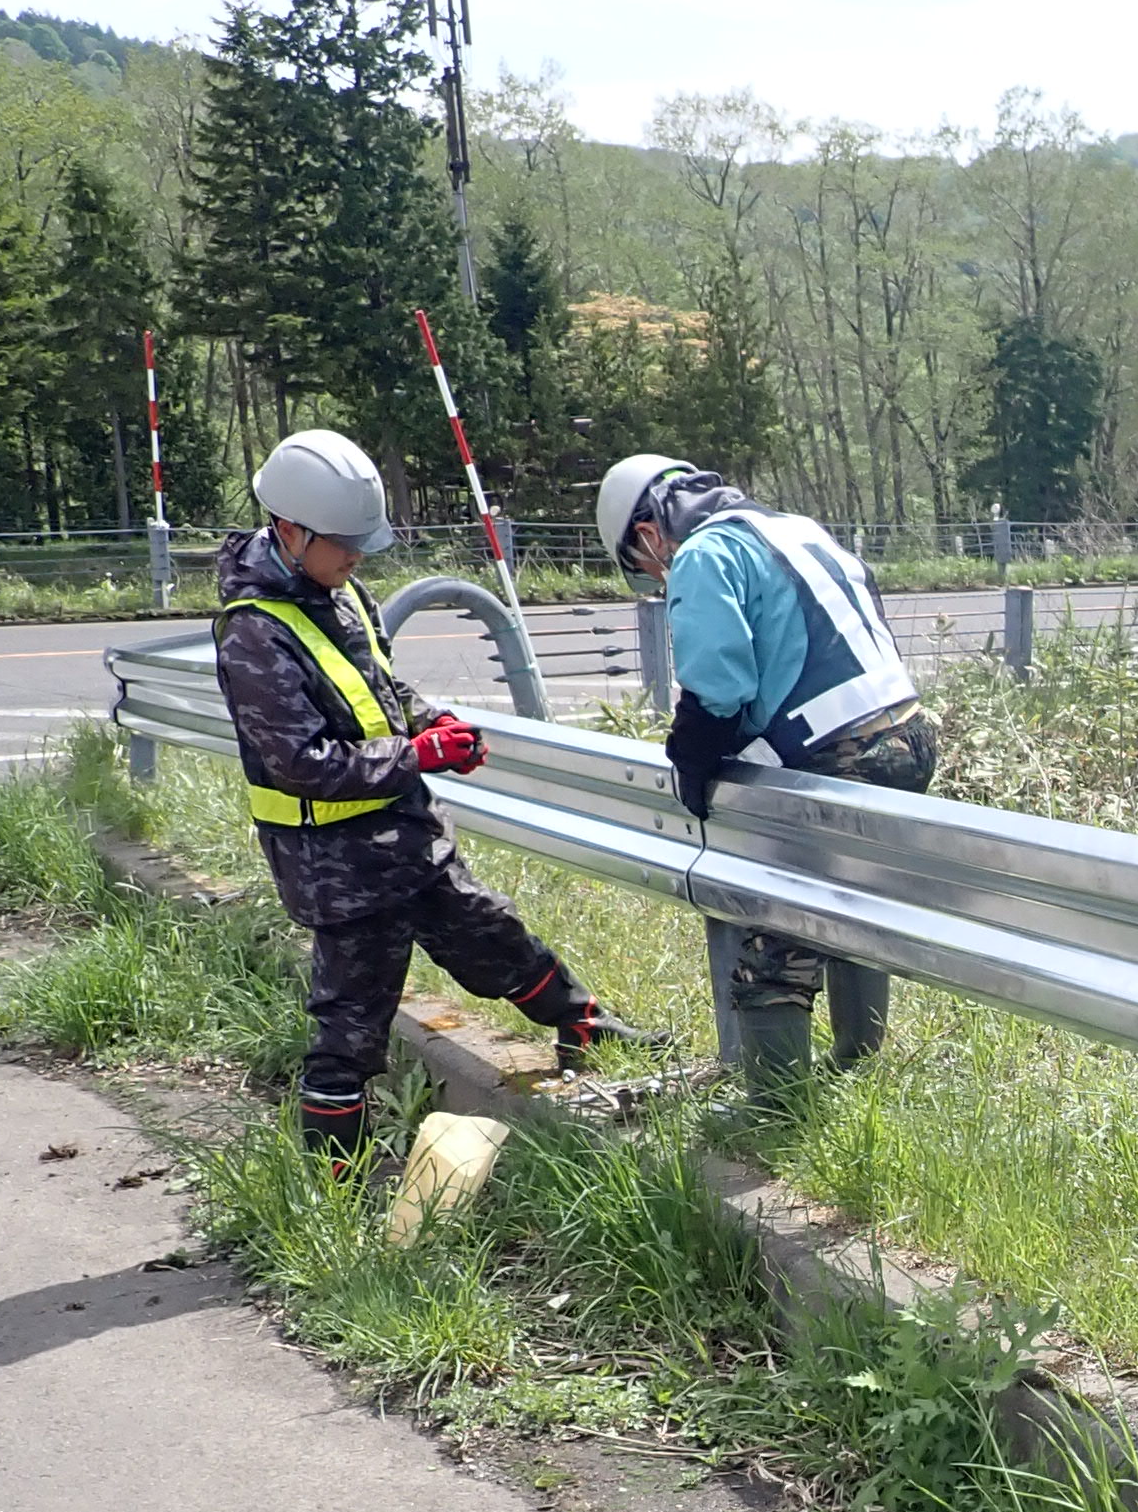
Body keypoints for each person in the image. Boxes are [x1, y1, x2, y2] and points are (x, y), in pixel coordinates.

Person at [214, 428, 639, 1164]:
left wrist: (430, 720)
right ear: (289, 530)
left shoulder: (339, 594)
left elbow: (380, 685)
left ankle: (585, 1027)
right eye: (343, 543)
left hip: (406, 839)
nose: (355, 558)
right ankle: (332, 1185)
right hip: (339, 869)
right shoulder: (253, 633)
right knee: (350, 1025)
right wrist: (416, 755)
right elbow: (301, 763)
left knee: (493, 933)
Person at [595, 454, 936, 1072]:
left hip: (837, 755)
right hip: (909, 736)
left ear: (647, 535)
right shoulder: (796, 526)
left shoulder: (702, 553)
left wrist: (691, 760)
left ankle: (775, 1112)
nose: (658, 585)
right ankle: (859, 1062)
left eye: (646, 574)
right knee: (851, 900)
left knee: (774, 937)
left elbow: (719, 685)